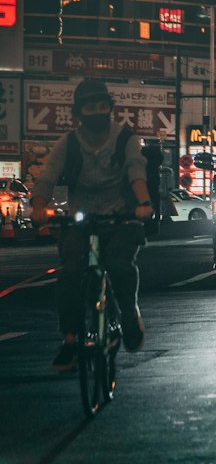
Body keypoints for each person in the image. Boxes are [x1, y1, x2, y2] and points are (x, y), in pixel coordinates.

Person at [31, 78, 153, 374]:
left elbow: (136, 171)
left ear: (110, 109)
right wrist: (37, 207)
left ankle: (128, 312)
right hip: (81, 219)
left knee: (119, 264)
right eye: (90, 107)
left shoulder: (125, 139)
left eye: (102, 106)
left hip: (121, 217)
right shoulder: (68, 144)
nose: (97, 112)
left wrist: (143, 202)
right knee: (71, 272)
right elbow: (47, 176)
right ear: (78, 113)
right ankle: (70, 339)